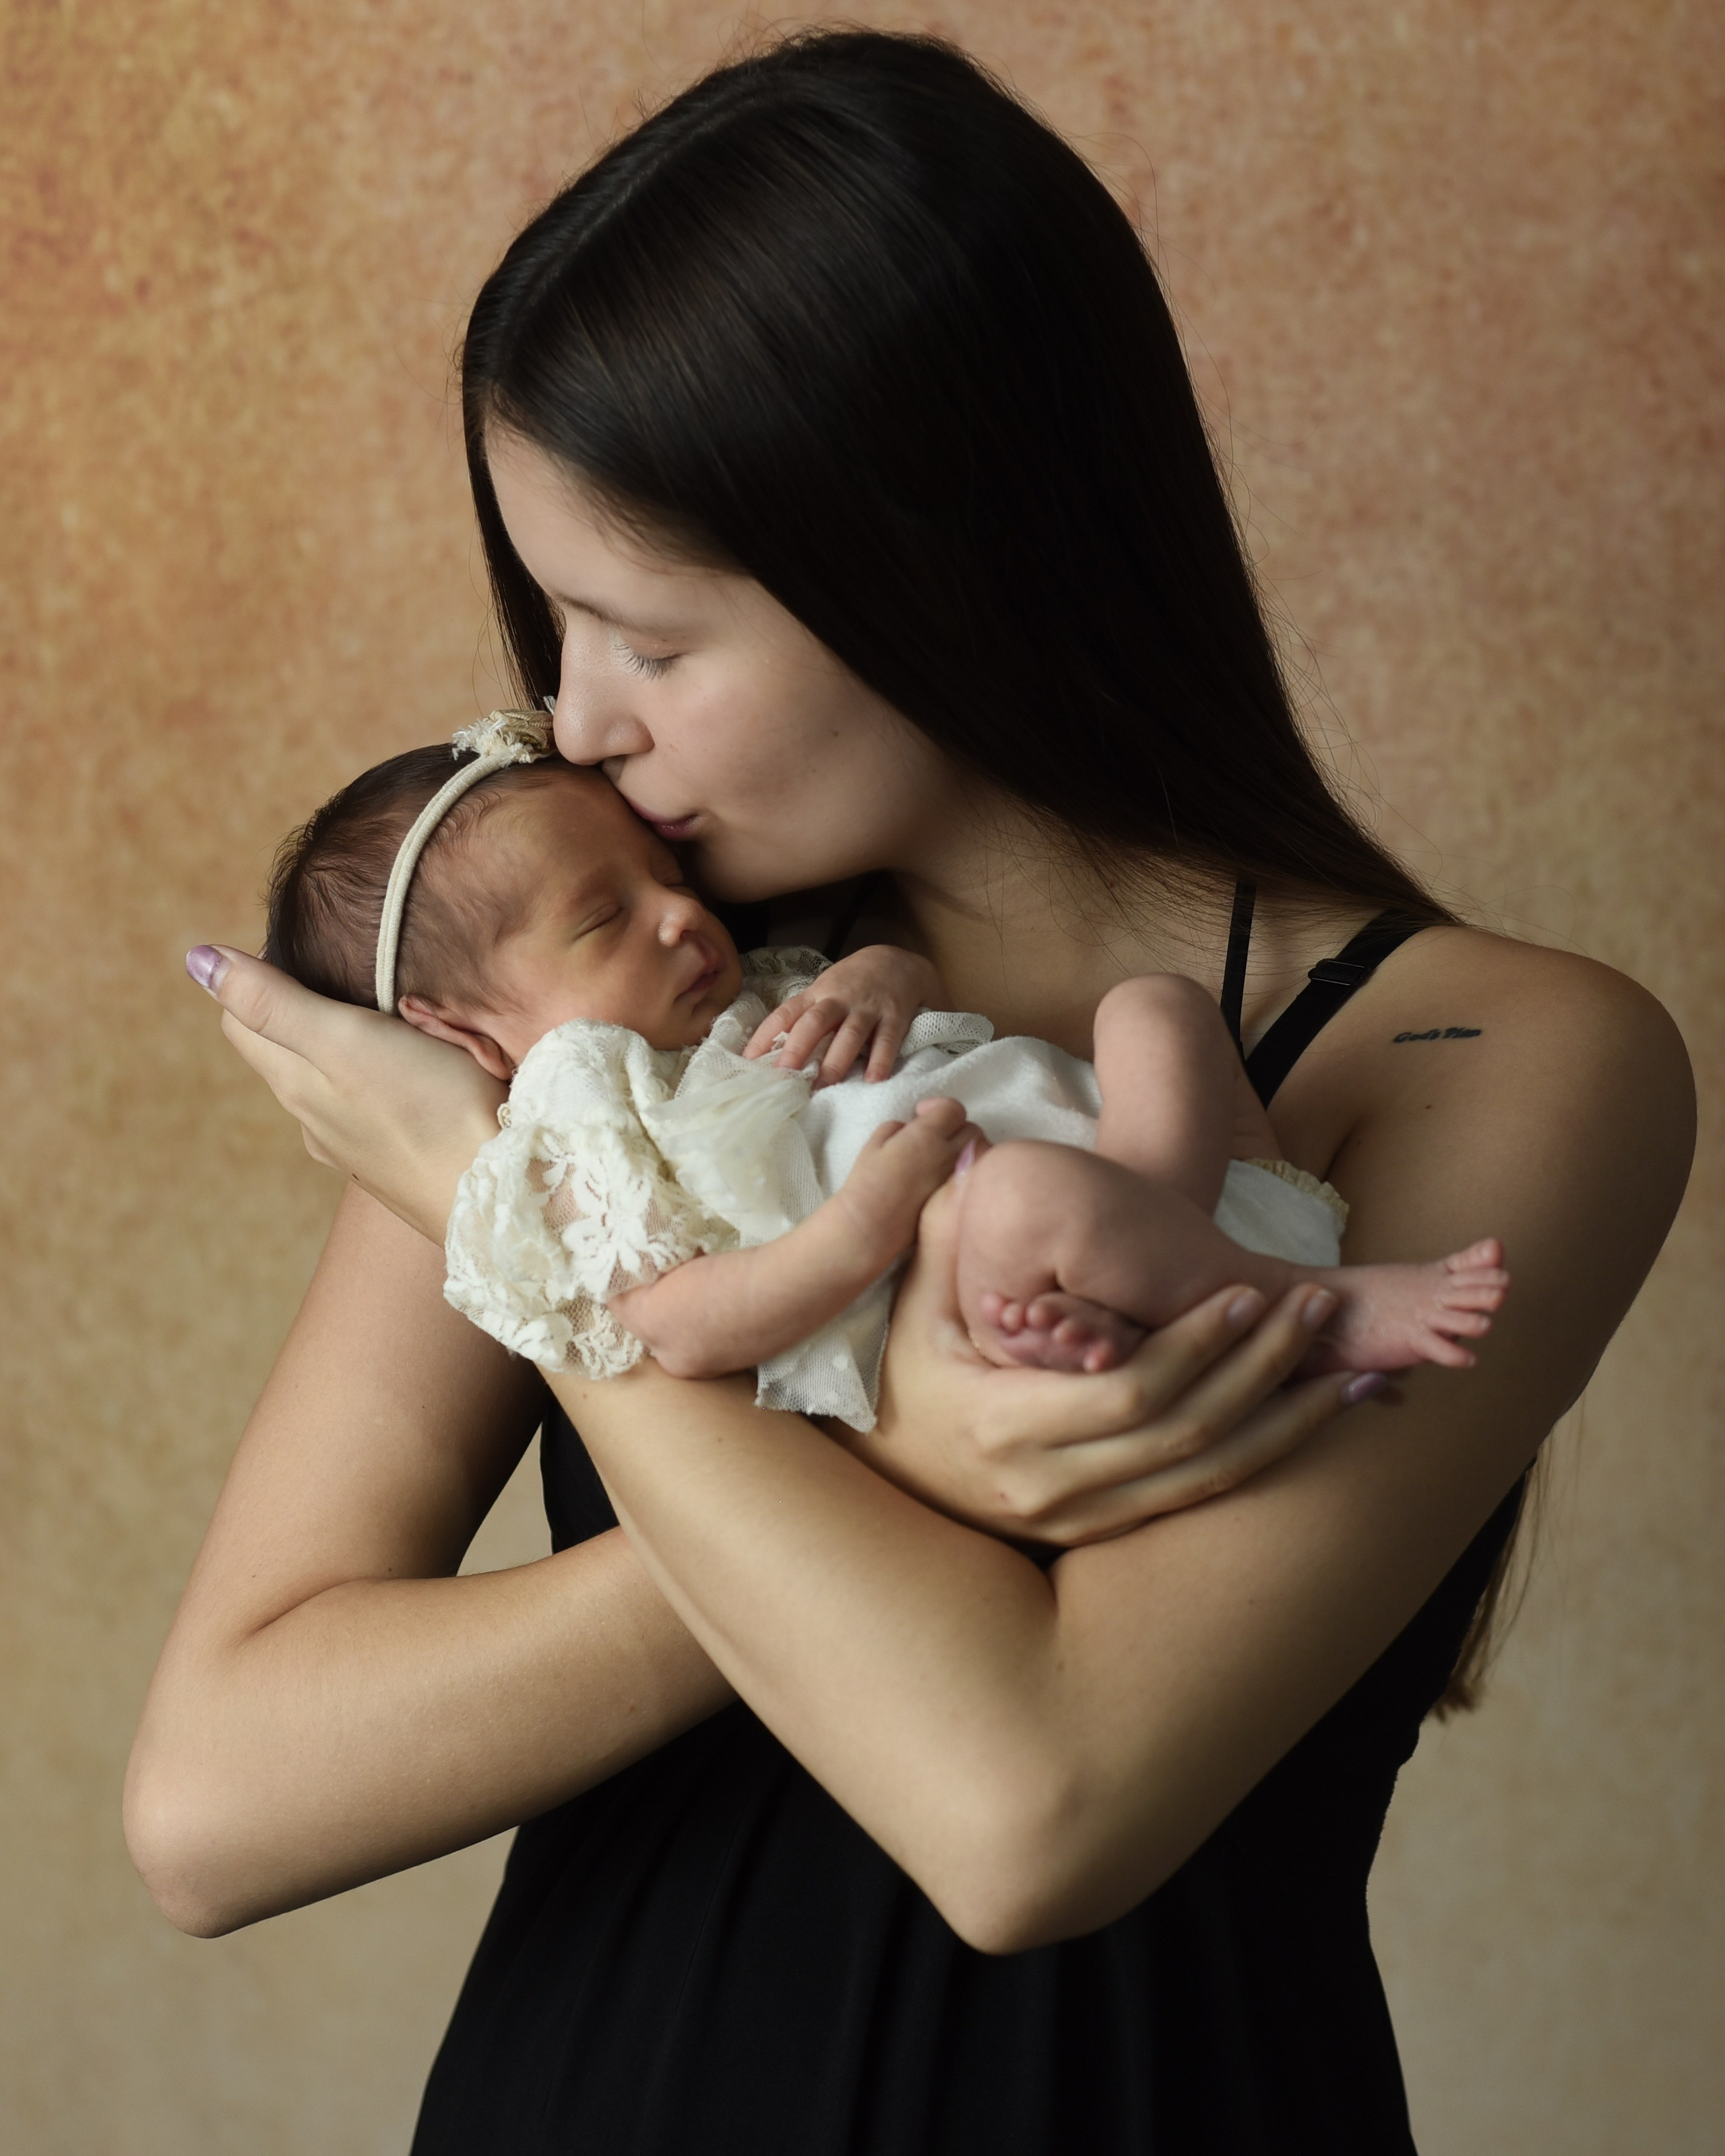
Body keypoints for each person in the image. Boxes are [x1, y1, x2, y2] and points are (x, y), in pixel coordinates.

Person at [125, 28, 1693, 2155]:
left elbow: (1029, 1801)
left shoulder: (1499, 1058)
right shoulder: (617, 1038)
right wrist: (850, 1418)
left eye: (649, 642)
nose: (574, 735)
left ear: (937, 563)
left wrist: (545, 1249)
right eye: (553, 628)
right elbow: (217, 1806)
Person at [265, 714, 1507, 1416]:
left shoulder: (738, 987)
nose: (681, 918)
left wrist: (883, 976)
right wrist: (864, 1225)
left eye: (668, 879)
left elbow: (918, 1012)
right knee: (1025, 1202)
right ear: (475, 1040)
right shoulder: (579, 1127)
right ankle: (1306, 1311)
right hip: (992, 1245)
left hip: (1161, 1172)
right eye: (605, 921)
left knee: (1154, 1006)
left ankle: (1159, 1225)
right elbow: (680, 1327)